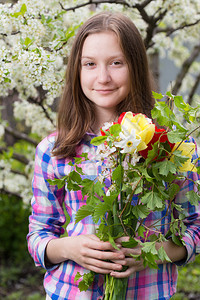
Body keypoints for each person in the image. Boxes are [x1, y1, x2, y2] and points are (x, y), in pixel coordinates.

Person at [27, 12, 200, 300]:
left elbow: (195, 227)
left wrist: (151, 252)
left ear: (135, 66)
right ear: (77, 71)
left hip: (147, 293)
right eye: (90, 64)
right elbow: (39, 235)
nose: (103, 77)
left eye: (116, 63)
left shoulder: (171, 146)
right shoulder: (54, 150)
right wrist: (70, 247)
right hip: (70, 293)